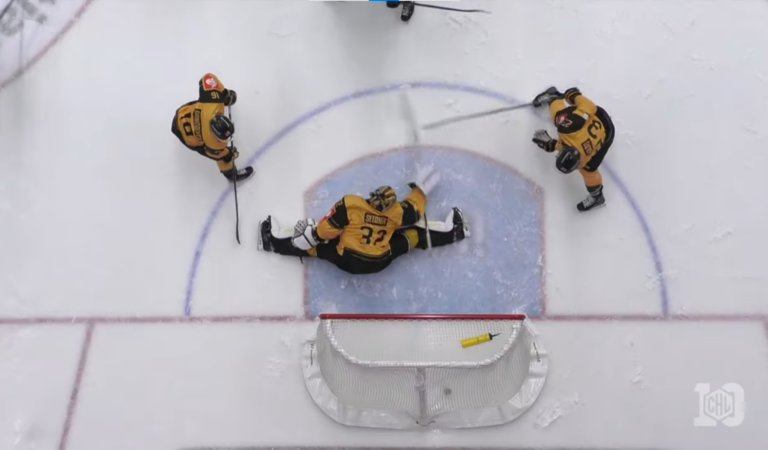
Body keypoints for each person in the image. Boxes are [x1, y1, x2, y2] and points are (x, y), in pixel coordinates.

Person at [258, 168, 470, 275]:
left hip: (348, 258)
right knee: (414, 237)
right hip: (379, 261)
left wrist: (312, 236)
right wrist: (420, 191)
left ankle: (271, 242)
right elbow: (414, 211)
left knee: (315, 248)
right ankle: (455, 233)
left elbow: (325, 231)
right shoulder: (396, 212)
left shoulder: (352, 204)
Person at [530, 86, 616, 211]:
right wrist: (574, 96)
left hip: (602, 128)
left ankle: (554, 98)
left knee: (560, 119)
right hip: (606, 129)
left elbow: (589, 108)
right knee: (589, 170)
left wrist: (553, 145)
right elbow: (589, 107)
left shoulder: (581, 158)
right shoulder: (571, 135)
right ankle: (597, 196)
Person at [171, 73, 254, 183]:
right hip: (185, 136)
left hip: (182, 113)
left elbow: (207, 78)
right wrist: (228, 155)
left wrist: (223, 94)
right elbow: (221, 158)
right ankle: (231, 176)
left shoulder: (213, 101)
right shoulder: (214, 144)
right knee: (221, 155)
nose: (227, 140)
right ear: (216, 136)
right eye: (224, 139)